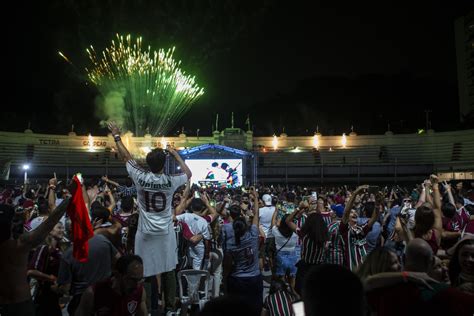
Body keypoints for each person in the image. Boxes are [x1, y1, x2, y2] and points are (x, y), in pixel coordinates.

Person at [107, 121, 192, 313]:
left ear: (148, 162)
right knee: (169, 268)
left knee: (143, 270)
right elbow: (188, 173)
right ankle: (170, 306)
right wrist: (175, 154)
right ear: (164, 164)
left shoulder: (139, 176)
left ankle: (145, 306)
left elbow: (126, 157)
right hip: (165, 232)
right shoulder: (171, 180)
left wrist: (117, 136)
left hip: (145, 232)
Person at [0, 182, 73, 316]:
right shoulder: (20, 245)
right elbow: (49, 223)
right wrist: (69, 199)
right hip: (20, 304)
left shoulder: (20, 244)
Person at [222, 187, 262, 315]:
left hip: (237, 279)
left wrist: (224, 279)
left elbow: (227, 265)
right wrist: (255, 198)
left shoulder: (231, 243)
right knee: (255, 309)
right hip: (254, 278)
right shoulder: (254, 234)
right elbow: (256, 214)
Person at [76, 254, 147, 316]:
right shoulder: (93, 293)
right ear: (117, 275)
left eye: (140, 279)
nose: (137, 285)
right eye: (132, 280)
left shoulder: (139, 292)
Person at [27, 222, 66, 316]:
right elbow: (31, 272)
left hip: (54, 296)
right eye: (59, 228)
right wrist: (51, 278)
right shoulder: (43, 248)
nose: (62, 230)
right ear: (50, 231)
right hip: (43, 296)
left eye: (63, 228)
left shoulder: (59, 250)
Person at [271, 213, 298, 293]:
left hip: (280, 257)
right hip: (293, 257)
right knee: (292, 280)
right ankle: (292, 295)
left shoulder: (276, 231)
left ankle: (283, 296)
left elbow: (272, 223)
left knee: (282, 281)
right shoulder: (295, 233)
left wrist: (275, 212)